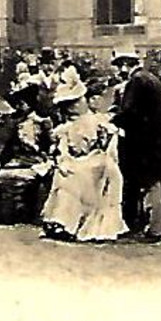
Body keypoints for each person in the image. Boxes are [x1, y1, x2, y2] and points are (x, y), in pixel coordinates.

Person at [40, 79, 127, 242]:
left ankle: (72, 222)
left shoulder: (98, 120)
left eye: (76, 102)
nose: (72, 107)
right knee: (66, 174)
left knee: (83, 173)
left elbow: (108, 144)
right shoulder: (64, 127)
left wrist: (105, 137)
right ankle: (61, 221)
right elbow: (63, 149)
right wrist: (62, 159)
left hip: (98, 159)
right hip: (78, 160)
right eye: (68, 105)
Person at [110, 48, 161, 238]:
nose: (119, 71)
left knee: (149, 182)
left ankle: (155, 227)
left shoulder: (136, 81)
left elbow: (130, 112)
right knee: (156, 182)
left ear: (125, 64)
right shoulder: (151, 79)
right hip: (158, 138)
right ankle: (156, 225)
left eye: (119, 66)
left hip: (145, 139)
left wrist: (110, 120)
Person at [0, 110, 54, 225]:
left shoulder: (45, 122)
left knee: (32, 178)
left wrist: (46, 161)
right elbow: (7, 147)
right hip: (18, 161)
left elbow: (51, 148)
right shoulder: (16, 124)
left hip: (37, 162)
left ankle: (29, 212)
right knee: (3, 179)